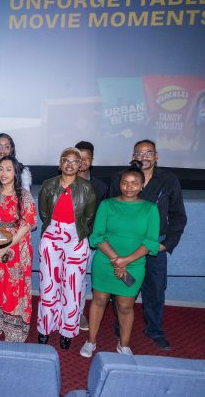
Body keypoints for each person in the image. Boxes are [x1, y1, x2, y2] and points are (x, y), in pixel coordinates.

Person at [108, 139, 187, 350]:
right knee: (124, 286)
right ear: (132, 156)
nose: (143, 157)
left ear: (156, 156)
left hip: (154, 247)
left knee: (155, 289)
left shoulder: (168, 180)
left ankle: (154, 330)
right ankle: (120, 324)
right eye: (139, 153)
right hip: (125, 246)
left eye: (148, 153)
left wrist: (167, 244)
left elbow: (178, 216)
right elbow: (108, 208)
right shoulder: (119, 178)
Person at [80, 162, 160, 358]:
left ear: (142, 185)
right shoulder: (107, 205)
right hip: (105, 262)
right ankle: (91, 341)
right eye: (125, 182)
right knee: (99, 301)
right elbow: (97, 236)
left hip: (134, 264)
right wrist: (117, 260)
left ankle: (123, 344)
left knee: (125, 306)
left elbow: (150, 242)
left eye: (134, 183)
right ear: (119, 184)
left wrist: (126, 261)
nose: (129, 187)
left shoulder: (150, 209)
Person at [37, 147, 97, 349]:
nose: (70, 164)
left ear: (80, 165)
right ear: (60, 163)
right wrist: (57, 229)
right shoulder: (48, 185)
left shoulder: (87, 188)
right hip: (52, 235)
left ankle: (67, 331)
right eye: (66, 160)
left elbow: (88, 216)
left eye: (75, 161)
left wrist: (72, 231)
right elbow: (44, 213)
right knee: (48, 284)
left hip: (76, 238)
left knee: (73, 287)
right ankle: (45, 328)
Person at [0, 155, 36, 342]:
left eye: (8, 169)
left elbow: (26, 226)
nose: (4, 173)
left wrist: (5, 247)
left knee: (14, 289)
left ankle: (14, 331)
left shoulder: (24, 196)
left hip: (16, 248)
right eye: (1, 169)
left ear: (16, 172)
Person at [75, 140, 108, 331]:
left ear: (92, 160)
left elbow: (105, 215)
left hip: (87, 241)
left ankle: (77, 313)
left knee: (79, 279)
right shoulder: (61, 181)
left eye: (87, 158)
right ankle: (59, 310)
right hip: (61, 239)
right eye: (80, 157)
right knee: (60, 277)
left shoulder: (101, 186)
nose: (83, 161)